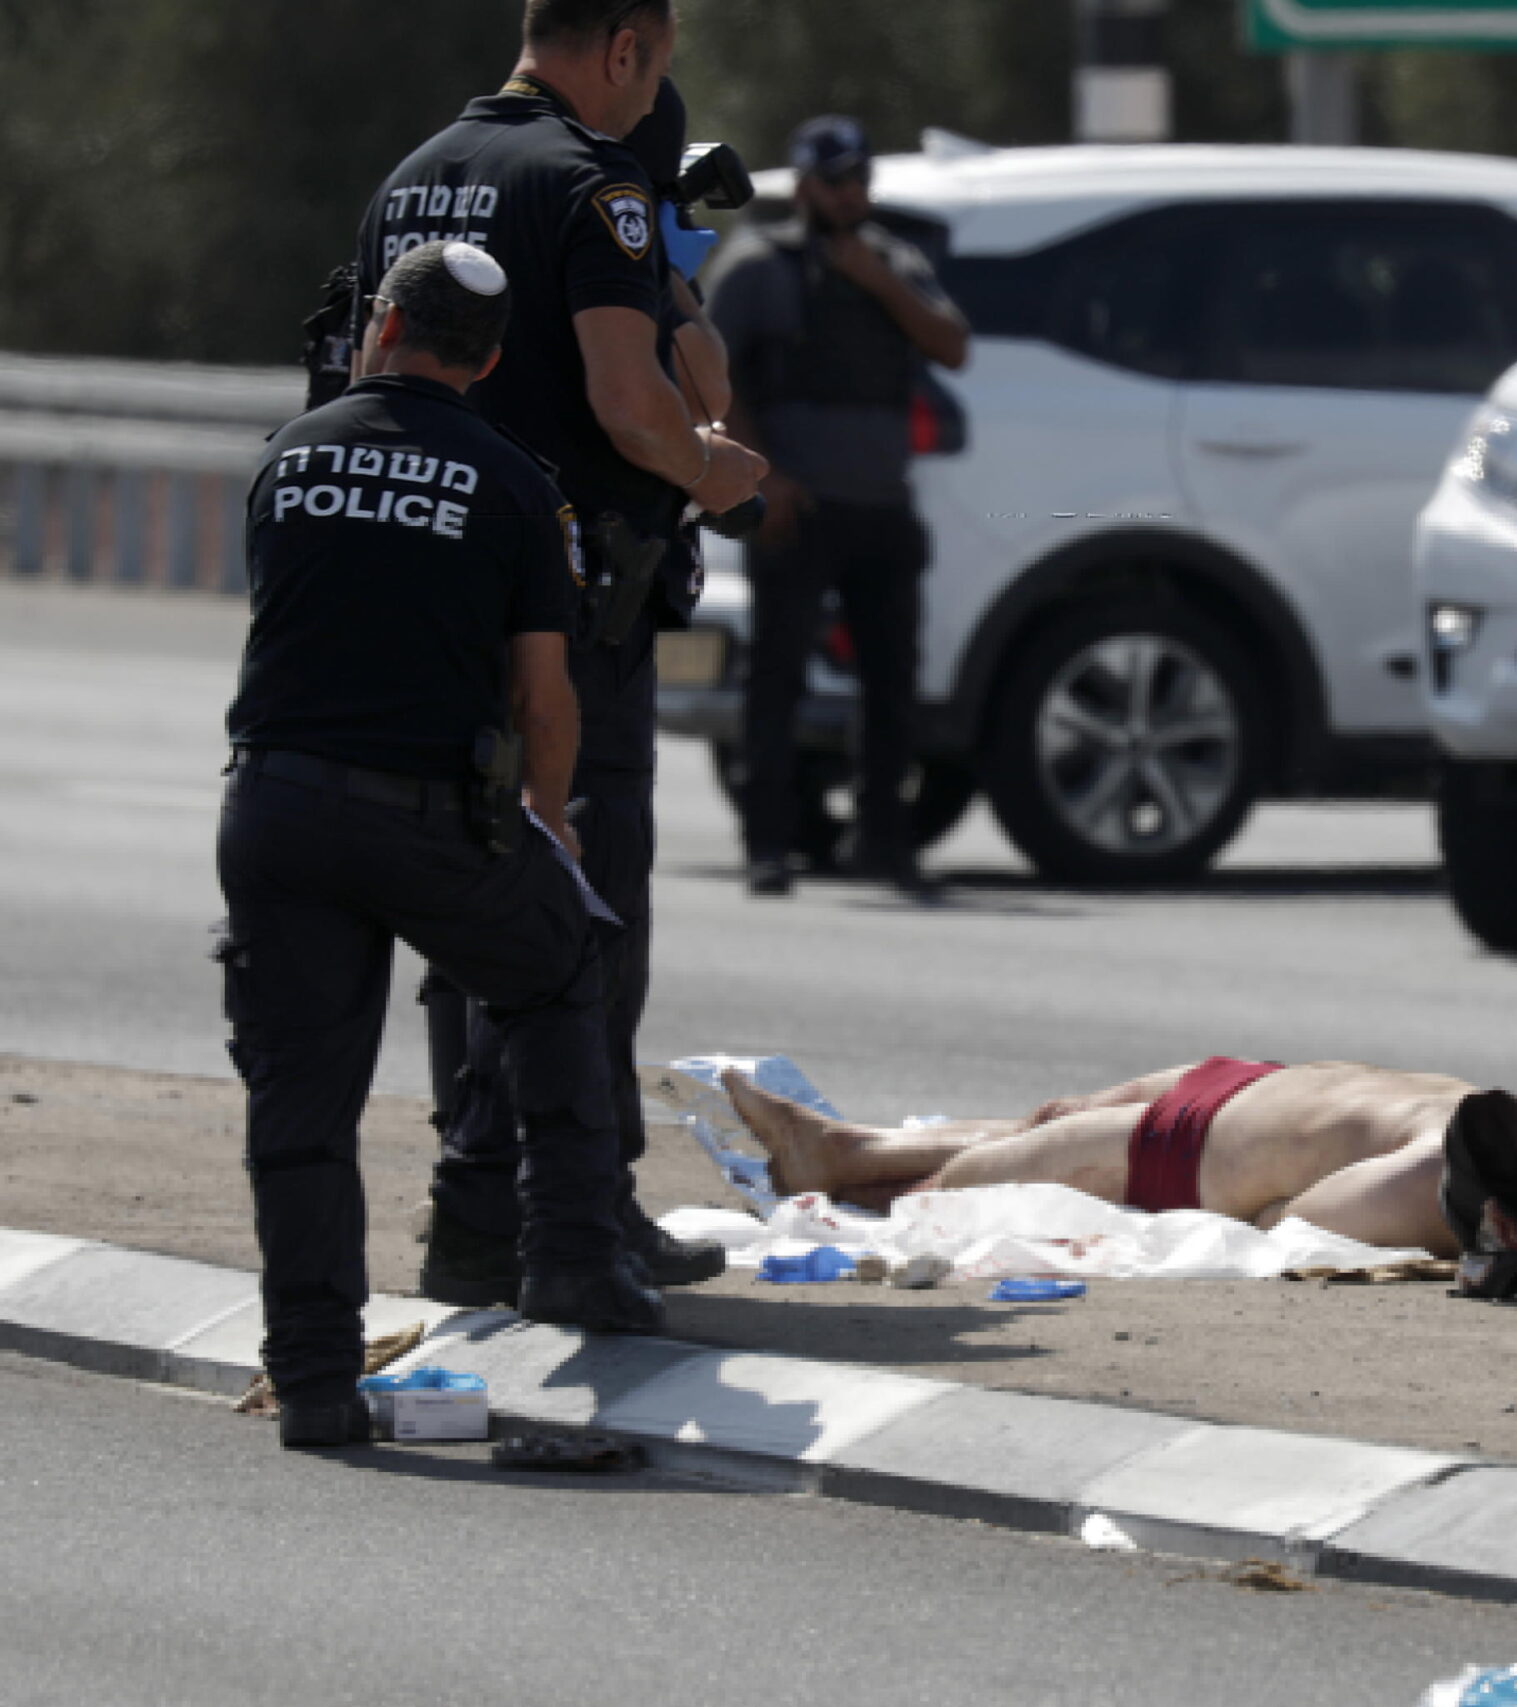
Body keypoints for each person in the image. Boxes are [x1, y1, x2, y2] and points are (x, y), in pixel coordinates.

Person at [218, 242, 667, 1450]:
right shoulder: (515, 484)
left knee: (301, 1105)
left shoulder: (290, 456)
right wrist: (551, 828)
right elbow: (546, 701)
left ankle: (315, 1383)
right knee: (559, 962)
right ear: (492, 359)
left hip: (275, 813)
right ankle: (569, 1255)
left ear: (381, 328)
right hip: (430, 822)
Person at [355, 0, 765, 1309]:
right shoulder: (596, 188)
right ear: (625, 48)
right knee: (585, 902)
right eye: (653, 74)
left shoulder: (413, 178)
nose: (649, 107)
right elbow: (632, 402)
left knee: (464, 896)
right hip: (569, 611)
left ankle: (477, 1199)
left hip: (425, 598)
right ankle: (578, 1208)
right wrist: (710, 471)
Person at [708, 114, 972, 898]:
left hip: (880, 506)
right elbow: (710, 375)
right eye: (834, 182)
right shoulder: (759, 265)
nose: (849, 195)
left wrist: (879, 282)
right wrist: (761, 476)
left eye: (858, 180)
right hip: (798, 508)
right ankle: (768, 841)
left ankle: (884, 841)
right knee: (777, 680)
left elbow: (952, 346)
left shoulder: (895, 261)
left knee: (893, 682)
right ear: (804, 187)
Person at [722, 1059, 1474, 1259]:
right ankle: (848, 1150)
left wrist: (1277, 1193)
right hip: (1241, 1107)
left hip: (1230, 1122)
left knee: (964, 1184)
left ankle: (838, 1157)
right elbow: (1301, 1217)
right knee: (1046, 1127)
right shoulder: (1455, 1160)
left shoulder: (1463, 1147)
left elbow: (1298, 1225)